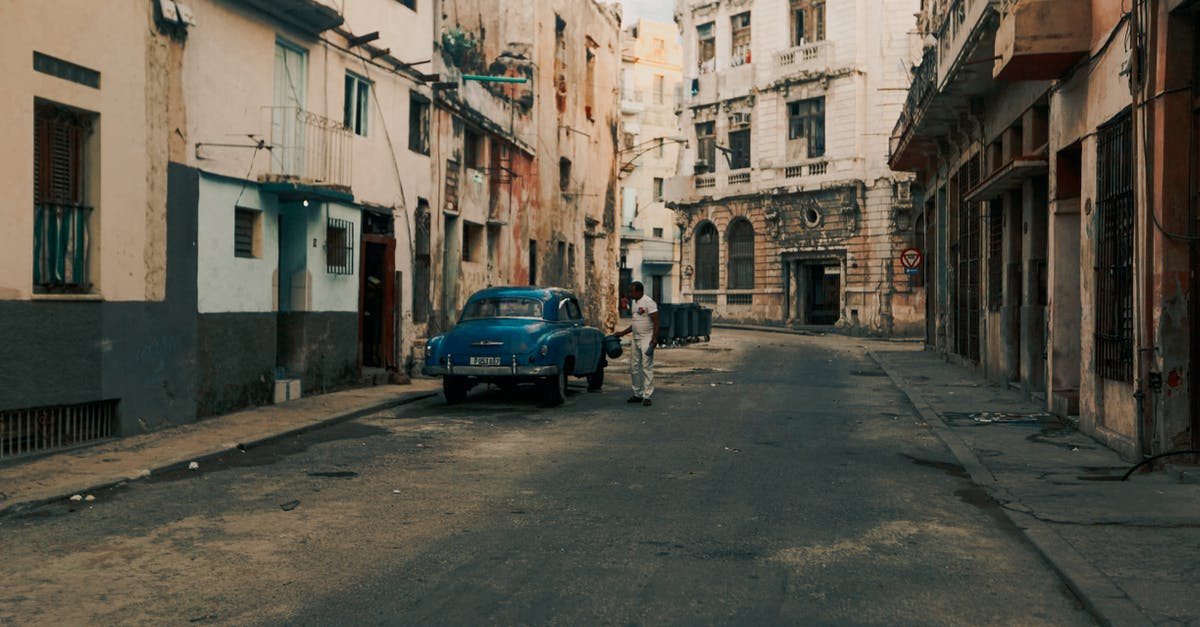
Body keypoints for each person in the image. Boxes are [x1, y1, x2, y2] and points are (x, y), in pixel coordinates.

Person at [614, 281, 659, 406]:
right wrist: (623, 333)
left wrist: (654, 339)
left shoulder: (648, 302)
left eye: (632, 291)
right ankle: (637, 393)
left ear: (639, 291)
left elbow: (656, 321)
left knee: (647, 366)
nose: (630, 294)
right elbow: (635, 323)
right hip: (635, 338)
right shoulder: (634, 303)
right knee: (634, 367)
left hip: (647, 338)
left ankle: (647, 395)